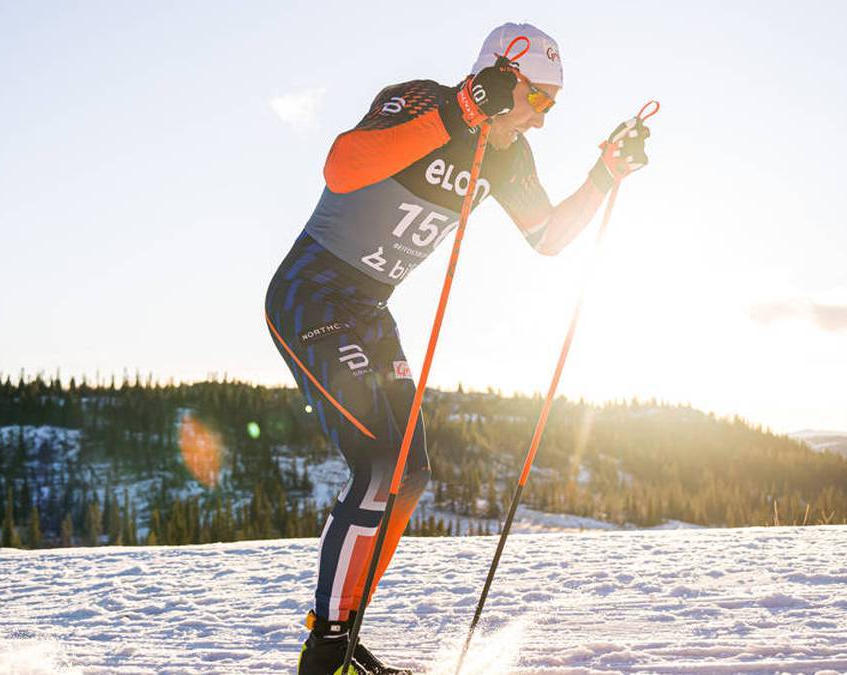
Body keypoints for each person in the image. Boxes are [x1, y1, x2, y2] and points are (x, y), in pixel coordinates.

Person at [264, 22, 651, 675]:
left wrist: (603, 173)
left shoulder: (506, 156)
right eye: (539, 101)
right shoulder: (419, 101)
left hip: (370, 312)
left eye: (552, 105)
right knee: (379, 460)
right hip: (311, 295)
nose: (541, 120)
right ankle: (324, 651)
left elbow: (549, 236)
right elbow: (342, 165)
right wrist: (461, 109)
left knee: (410, 473)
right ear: (503, 76)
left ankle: (345, 631)